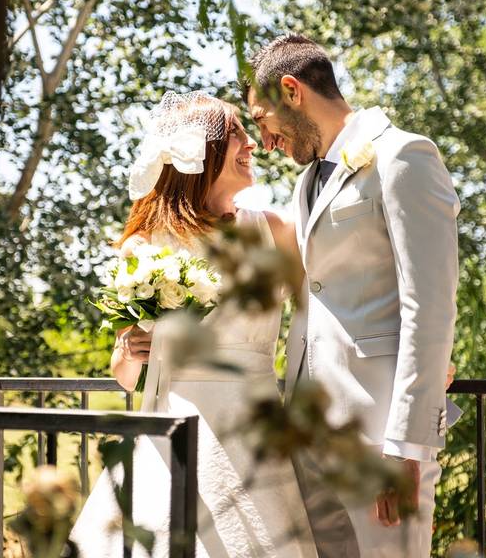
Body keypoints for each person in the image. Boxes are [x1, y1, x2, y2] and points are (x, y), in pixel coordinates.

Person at [70, 91, 319, 557]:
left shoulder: (277, 232)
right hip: (173, 430)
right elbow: (127, 376)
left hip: (255, 427)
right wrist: (129, 353)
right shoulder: (144, 246)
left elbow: (329, 310)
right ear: (200, 154)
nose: (252, 145)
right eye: (236, 135)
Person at [244, 33, 464, 558]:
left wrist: (406, 444)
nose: (265, 141)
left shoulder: (402, 155)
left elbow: (428, 304)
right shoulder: (306, 184)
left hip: (377, 438)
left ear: (291, 91)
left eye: (261, 120)